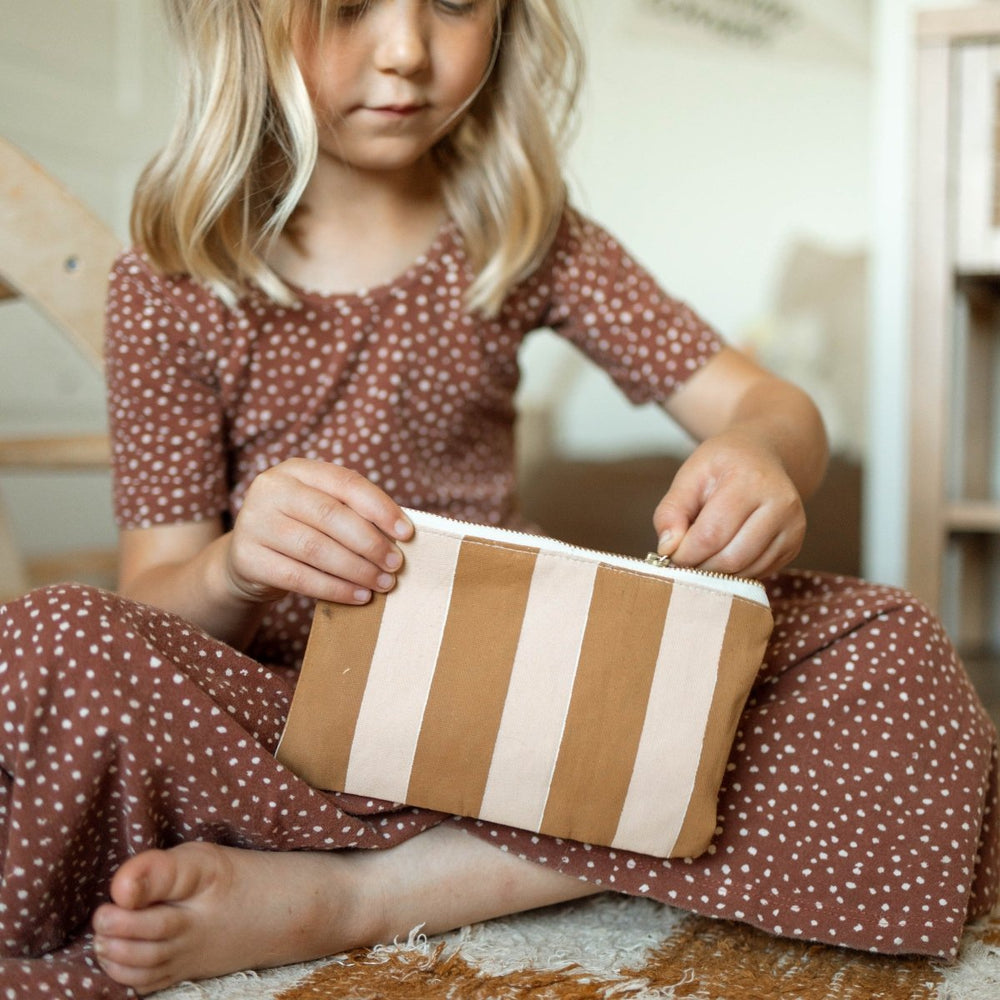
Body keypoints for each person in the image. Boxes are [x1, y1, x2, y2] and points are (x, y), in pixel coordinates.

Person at [1, 0, 996, 995]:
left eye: (454, 4)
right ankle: (525, 852)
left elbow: (768, 401)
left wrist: (761, 449)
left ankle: (365, 895)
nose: (404, 53)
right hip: (283, 726)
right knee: (44, 640)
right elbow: (149, 604)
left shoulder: (522, 235)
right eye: (348, 6)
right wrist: (233, 566)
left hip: (526, 714)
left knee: (888, 641)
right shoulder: (172, 280)